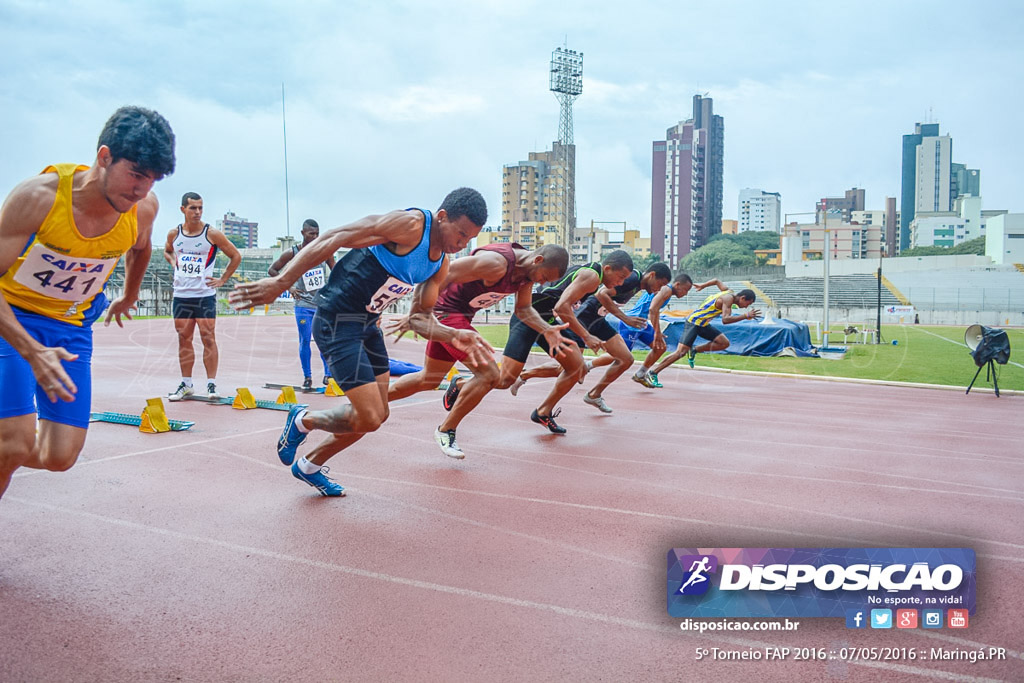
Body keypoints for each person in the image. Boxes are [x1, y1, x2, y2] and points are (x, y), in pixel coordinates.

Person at [229, 187, 493, 497]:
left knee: (377, 416)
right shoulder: (409, 226)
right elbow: (334, 237)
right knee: (368, 416)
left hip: (367, 326)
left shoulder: (440, 264)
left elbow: (420, 318)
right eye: (460, 235)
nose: (460, 244)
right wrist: (281, 282)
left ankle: (309, 466)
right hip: (337, 321)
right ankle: (302, 420)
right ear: (443, 217)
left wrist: (454, 334)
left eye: (468, 240)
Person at [0, 106, 175, 501]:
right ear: (104, 157)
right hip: (12, 320)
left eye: (152, 179)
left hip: (70, 327)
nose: (142, 189)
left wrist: (129, 296)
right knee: (12, 443)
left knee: (59, 456)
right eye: (135, 173)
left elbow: (141, 248)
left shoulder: (142, 208)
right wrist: (33, 351)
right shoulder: (38, 198)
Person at [387, 243, 571, 458]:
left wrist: (547, 329)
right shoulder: (495, 263)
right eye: (543, 277)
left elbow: (523, 309)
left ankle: (371, 402)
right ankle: (446, 430)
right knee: (490, 374)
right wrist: (418, 313)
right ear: (537, 260)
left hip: (460, 317)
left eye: (546, 282)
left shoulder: (526, 275)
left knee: (429, 379)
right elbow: (442, 272)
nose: (541, 283)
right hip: (446, 313)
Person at [512, 262, 672, 413]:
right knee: (568, 368)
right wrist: (625, 319)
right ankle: (525, 376)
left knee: (626, 359)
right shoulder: (633, 278)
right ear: (652, 275)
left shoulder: (636, 283)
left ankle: (594, 395)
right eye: (660, 284)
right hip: (585, 317)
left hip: (598, 320)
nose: (659, 290)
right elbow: (602, 294)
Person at [504, 249, 635, 434]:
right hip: (528, 317)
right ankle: (462, 384)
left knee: (576, 367)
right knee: (504, 379)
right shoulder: (592, 277)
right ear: (608, 268)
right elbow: (562, 307)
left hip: (546, 320)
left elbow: (560, 306)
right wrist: (586, 336)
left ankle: (543, 412)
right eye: (620, 277)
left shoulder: (591, 275)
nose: (620, 283)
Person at [164, 193, 241, 400]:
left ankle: (211, 385)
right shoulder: (174, 234)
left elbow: (235, 255)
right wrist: (174, 264)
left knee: (208, 337)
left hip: (204, 295)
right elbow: (168, 251)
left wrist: (223, 280)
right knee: (184, 338)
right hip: (181, 295)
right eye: (193, 208)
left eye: (200, 208)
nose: (197, 212)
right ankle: (187, 384)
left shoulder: (212, 234)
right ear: (183, 209)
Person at [268, 218, 335, 390]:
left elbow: (336, 271)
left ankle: (328, 375)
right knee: (305, 340)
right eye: (311, 234)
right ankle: (307, 377)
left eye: (317, 234)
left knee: (324, 340)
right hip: (303, 304)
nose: (315, 237)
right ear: (303, 233)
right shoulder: (293, 252)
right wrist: (289, 287)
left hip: (321, 305)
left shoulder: (324, 251)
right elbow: (272, 270)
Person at [647, 281, 761, 381]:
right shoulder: (728, 298)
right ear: (743, 298)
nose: (746, 307)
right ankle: (653, 372)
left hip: (703, 324)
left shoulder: (728, 291)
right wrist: (745, 316)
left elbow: (717, 281)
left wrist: (703, 285)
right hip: (694, 322)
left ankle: (694, 350)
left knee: (723, 343)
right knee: (680, 353)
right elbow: (725, 320)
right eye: (748, 303)